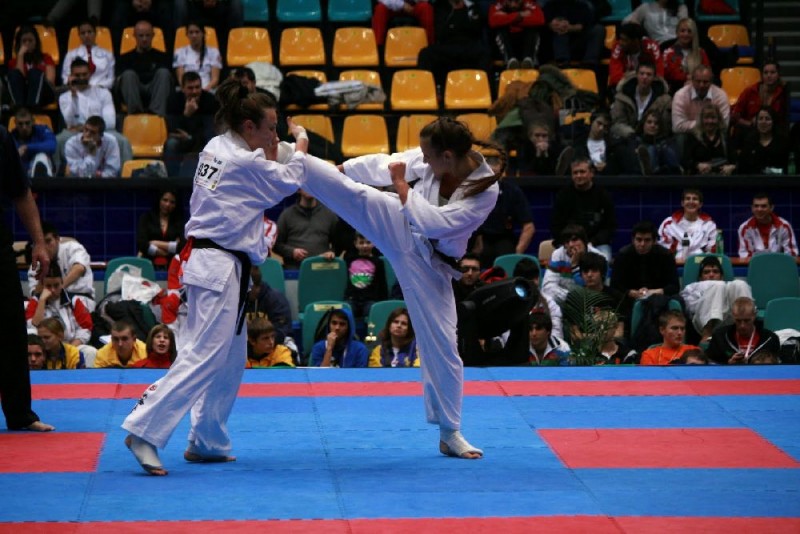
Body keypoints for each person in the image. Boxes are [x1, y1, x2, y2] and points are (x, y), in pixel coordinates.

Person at [121, 77, 309, 476]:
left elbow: (269, 165)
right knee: (204, 355)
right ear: (248, 126)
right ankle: (143, 430)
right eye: (270, 127)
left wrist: (277, 146)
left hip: (216, 263)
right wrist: (302, 140)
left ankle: (207, 440)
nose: (275, 135)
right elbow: (291, 180)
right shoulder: (242, 161)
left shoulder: (216, 146)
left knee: (231, 360)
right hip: (218, 264)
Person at [299, 116, 503, 459]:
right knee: (356, 194)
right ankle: (293, 160)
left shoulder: (485, 190)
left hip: (432, 262)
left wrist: (400, 185)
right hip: (401, 225)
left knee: (443, 344)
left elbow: (436, 224)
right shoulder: (434, 157)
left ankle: (450, 432)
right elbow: (389, 162)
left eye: (429, 156)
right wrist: (342, 169)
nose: (423, 161)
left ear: (448, 156)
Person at [0, 124, 54, 431]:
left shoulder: (0, 137)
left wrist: (39, 243)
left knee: (10, 327)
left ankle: (19, 412)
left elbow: (21, 192)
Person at [57, 58, 132, 174]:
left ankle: (127, 178)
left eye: (84, 74)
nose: (81, 78)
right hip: (75, 133)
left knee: (123, 141)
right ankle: (57, 177)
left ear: (90, 74)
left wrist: (85, 127)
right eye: (77, 75)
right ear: (71, 76)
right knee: (58, 140)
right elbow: (70, 122)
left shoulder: (103, 93)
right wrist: (74, 96)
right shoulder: (64, 97)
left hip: (103, 131)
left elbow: (110, 121)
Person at [610, 220, 680, 333]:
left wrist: (654, 292)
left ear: (654, 241)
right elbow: (615, 285)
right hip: (629, 299)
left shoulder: (665, 256)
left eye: (647, 240)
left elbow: (674, 286)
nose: (642, 244)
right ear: (633, 240)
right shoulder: (623, 255)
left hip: (659, 298)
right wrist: (631, 292)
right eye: (639, 240)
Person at [472, 154, 534, 267]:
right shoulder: (473, 192)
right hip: (479, 238)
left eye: (497, 174)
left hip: (504, 238)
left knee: (505, 257)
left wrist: (517, 254)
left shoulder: (512, 192)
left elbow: (529, 227)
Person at [551, 157, 616, 259]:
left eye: (582, 172)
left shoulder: (603, 195)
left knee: (604, 260)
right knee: (559, 262)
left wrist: (592, 242)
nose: (578, 175)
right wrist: (570, 242)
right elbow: (556, 226)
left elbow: (610, 226)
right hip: (569, 243)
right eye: (575, 173)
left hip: (596, 244)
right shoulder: (563, 196)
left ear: (591, 173)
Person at [417, 0, 490, 90]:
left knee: (484, 53)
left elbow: (476, 29)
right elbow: (441, 33)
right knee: (425, 54)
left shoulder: (472, 7)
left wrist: (456, 21)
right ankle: (426, 92)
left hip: (467, 46)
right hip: (447, 46)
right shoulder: (440, 7)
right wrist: (456, 15)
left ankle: (487, 92)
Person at [680, 255, 753, 343]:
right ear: (700, 278)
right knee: (718, 285)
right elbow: (690, 309)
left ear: (721, 276)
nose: (711, 274)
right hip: (704, 322)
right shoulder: (692, 287)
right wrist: (711, 296)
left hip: (731, 319)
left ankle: (746, 329)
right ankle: (707, 335)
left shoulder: (730, 287)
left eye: (715, 271)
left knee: (740, 284)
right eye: (706, 272)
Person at [27, 221, 95, 312]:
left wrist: (59, 288)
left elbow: (79, 268)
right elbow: (35, 294)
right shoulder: (35, 264)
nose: (45, 247)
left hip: (79, 297)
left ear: (57, 239)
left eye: (48, 241)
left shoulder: (73, 248)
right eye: (41, 244)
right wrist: (42, 272)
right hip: (50, 303)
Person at [164, 71, 220, 177]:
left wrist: (191, 137)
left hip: (201, 139)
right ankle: (171, 183)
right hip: (182, 140)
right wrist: (186, 115)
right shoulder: (173, 100)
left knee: (211, 142)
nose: (194, 91)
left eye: (197, 87)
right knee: (171, 143)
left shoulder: (210, 100)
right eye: (190, 88)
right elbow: (172, 128)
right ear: (182, 88)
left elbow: (210, 129)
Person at [25, 262, 93, 347]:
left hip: (71, 345)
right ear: (42, 285)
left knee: (90, 351)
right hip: (43, 347)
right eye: (48, 286)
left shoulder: (74, 301)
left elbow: (86, 328)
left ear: (62, 283)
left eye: (56, 285)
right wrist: (42, 301)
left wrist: (70, 349)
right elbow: (33, 328)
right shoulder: (35, 301)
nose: (53, 290)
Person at [115, 19, 173, 116]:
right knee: (128, 75)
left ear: (153, 35)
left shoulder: (163, 57)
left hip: (155, 89)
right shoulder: (124, 58)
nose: (144, 39)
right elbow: (119, 83)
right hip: (134, 90)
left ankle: (156, 113)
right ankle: (135, 113)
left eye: (147, 35)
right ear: (134, 36)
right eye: (141, 36)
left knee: (164, 73)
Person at [272, 189, 338, 269]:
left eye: (312, 185)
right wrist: (292, 252)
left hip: (321, 268)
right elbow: (276, 245)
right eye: (306, 185)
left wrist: (331, 252)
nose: (309, 188)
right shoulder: (286, 215)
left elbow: (338, 243)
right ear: (298, 190)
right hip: (295, 270)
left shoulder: (329, 215)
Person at [705, 297, 780, 364]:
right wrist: (728, 364)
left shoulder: (770, 339)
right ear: (733, 316)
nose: (742, 325)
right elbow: (710, 364)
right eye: (738, 321)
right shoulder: (720, 337)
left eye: (747, 320)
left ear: (754, 315)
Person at [541, 224, 603, 305]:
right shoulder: (558, 255)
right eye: (567, 242)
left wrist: (575, 265)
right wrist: (570, 297)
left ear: (584, 241)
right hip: (564, 301)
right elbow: (547, 287)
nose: (570, 245)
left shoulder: (597, 257)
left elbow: (593, 290)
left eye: (574, 240)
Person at [610, 61, 672, 139]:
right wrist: (632, 135)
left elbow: (665, 126)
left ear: (654, 78)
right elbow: (617, 123)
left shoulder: (664, 100)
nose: (645, 77)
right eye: (642, 74)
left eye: (649, 74)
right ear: (636, 75)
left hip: (654, 139)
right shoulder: (623, 96)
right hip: (627, 137)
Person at [731, 60, 790, 142]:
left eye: (772, 72)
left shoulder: (782, 92)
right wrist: (750, 123)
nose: (769, 75)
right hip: (751, 129)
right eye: (766, 73)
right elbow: (735, 116)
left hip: (773, 131)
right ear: (762, 75)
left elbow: (783, 119)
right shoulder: (750, 91)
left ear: (778, 75)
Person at [657, 188, 718, 259]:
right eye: (688, 199)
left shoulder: (709, 225)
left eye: (695, 199)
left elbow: (712, 250)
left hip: (701, 262)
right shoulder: (669, 223)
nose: (691, 202)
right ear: (682, 203)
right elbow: (664, 249)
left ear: (700, 204)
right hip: (675, 262)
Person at [243, 265, 293, 350]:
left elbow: (281, 333)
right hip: (247, 347)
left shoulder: (276, 300)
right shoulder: (235, 300)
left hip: (275, 345)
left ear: (251, 286)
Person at [542, 0, 605, 67]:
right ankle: (562, 63)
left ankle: (589, 63)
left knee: (598, 29)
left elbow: (582, 26)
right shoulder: (549, 6)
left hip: (577, 44)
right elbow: (546, 24)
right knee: (560, 32)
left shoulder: (582, 6)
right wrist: (553, 25)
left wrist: (568, 27)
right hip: (553, 46)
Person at [7, 25, 56, 109]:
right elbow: (18, 79)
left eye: (30, 40)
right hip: (23, 95)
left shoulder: (46, 58)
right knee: (14, 74)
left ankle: (32, 108)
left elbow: (50, 81)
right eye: (24, 41)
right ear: (19, 43)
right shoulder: (13, 62)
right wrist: (20, 55)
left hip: (44, 94)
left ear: (36, 42)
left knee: (34, 73)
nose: (27, 44)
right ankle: (20, 109)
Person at [137, 187, 186, 270]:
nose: (168, 204)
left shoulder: (180, 222)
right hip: (148, 265)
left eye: (172, 202)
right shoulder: (146, 218)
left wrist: (155, 243)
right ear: (159, 200)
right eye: (165, 200)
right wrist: (167, 252)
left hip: (173, 267)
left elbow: (183, 246)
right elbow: (141, 244)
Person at [737, 192, 798, 258]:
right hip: (756, 264)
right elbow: (745, 255)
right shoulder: (745, 228)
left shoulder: (784, 226)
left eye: (763, 206)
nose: (759, 209)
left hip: (779, 263)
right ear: (752, 208)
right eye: (756, 206)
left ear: (771, 208)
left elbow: (792, 254)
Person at [671, 64, 729, 134]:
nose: (701, 85)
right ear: (692, 80)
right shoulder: (680, 95)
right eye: (698, 81)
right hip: (689, 135)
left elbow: (724, 124)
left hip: (713, 134)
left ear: (711, 82)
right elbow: (677, 126)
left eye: (705, 82)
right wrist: (707, 123)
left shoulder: (720, 95)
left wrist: (699, 125)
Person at [488, 0, 545, 69]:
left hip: (525, 41)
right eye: (510, 2)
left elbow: (540, 19)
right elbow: (493, 21)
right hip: (507, 42)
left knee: (532, 29)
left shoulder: (529, 3)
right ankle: (510, 61)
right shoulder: (498, 5)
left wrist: (507, 19)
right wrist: (519, 15)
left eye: (516, 1)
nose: (513, 5)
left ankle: (529, 60)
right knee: (500, 29)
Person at [682, 102, 736, 176]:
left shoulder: (725, 137)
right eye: (706, 118)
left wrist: (731, 167)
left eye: (713, 118)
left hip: (722, 178)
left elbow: (734, 160)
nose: (710, 121)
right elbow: (685, 161)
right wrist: (697, 165)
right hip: (699, 178)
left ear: (718, 119)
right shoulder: (693, 137)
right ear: (701, 119)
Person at [344, 232, 388, 322]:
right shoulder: (349, 259)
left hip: (370, 299)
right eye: (361, 243)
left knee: (371, 312)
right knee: (346, 312)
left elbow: (383, 283)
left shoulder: (378, 262)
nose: (365, 246)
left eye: (368, 242)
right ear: (355, 244)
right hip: (352, 298)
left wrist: (383, 301)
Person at [61, 18, 115, 90]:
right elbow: (65, 77)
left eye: (89, 32)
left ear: (95, 33)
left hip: (102, 90)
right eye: (83, 33)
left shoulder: (108, 55)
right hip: (78, 90)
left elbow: (111, 79)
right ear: (79, 35)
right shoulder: (71, 55)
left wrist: (97, 88)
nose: (86, 35)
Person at [661, 18, 711, 95]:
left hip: (699, 89)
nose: (686, 34)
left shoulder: (701, 52)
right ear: (677, 33)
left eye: (689, 31)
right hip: (675, 90)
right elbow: (671, 75)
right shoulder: (668, 53)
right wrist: (689, 78)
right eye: (682, 31)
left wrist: (693, 80)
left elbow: (707, 71)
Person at [608, 23, 663, 89]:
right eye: (620, 39)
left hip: (649, 86)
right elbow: (615, 77)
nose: (620, 42)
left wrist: (629, 75)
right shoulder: (618, 47)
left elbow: (659, 75)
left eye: (624, 40)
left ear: (636, 41)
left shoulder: (652, 47)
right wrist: (643, 75)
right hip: (625, 86)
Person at [736, 107, 790, 175]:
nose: (763, 122)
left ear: (773, 122)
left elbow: (785, 169)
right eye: (760, 119)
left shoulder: (782, 142)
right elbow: (743, 167)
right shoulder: (750, 141)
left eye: (767, 119)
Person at [172, 21, 222, 92]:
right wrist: (190, 90)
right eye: (191, 32)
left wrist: (205, 90)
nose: (194, 35)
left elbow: (215, 79)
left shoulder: (214, 52)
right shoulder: (179, 52)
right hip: (187, 90)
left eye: (197, 32)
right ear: (187, 35)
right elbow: (181, 79)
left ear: (203, 34)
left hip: (208, 90)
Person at [10, 106, 56, 177]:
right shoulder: (10, 137)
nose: (24, 127)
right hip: (20, 176)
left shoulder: (42, 130)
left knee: (41, 156)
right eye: (20, 124)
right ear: (15, 123)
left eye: (27, 123)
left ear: (33, 121)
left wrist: (27, 147)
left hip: (42, 174)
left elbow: (52, 146)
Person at [634, 108, 682, 175]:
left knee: (664, 149)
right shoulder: (636, 141)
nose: (652, 125)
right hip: (641, 174)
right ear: (643, 124)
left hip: (666, 173)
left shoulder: (666, 142)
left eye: (656, 123)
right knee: (651, 149)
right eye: (649, 122)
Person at [623, 0, 688, 46]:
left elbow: (686, 26)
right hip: (659, 45)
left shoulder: (681, 7)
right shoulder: (645, 8)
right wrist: (636, 26)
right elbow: (625, 21)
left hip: (679, 42)